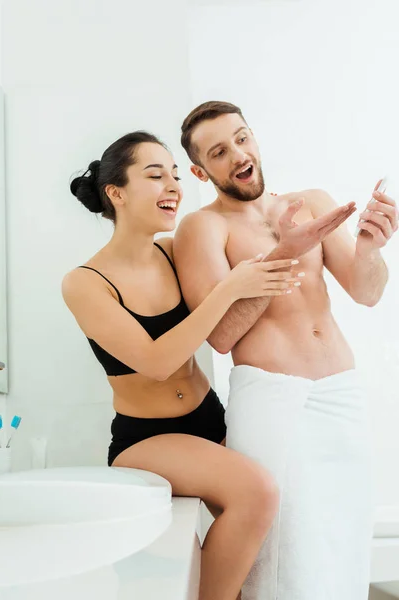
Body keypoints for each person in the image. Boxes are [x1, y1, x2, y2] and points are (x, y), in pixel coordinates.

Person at [62, 131, 354, 600]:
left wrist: (282, 233)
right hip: (148, 437)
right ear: (115, 193)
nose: (173, 185)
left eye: (176, 174)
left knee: (268, 542)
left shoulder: (175, 250)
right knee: (256, 492)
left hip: (210, 415)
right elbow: (158, 362)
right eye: (155, 175)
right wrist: (230, 289)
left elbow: (233, 300)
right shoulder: (85, 282)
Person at [174, 101, 398, 600]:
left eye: (242, 138)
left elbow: (366, 291)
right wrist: (284, 254)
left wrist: (371, 247)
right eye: (218, 151)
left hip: (342, 395)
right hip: (274, 402)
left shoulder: (311, 202)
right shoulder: (203, 228)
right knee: (285, 557)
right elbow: (222, 335)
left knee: (344, 540)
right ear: (199, 170)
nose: (237, 153)